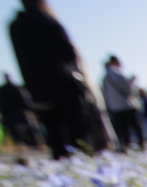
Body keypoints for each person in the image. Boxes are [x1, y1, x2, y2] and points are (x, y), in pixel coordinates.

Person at [9, 0, 102, 159]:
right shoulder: (48, 20)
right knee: (77, 132)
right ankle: (82, 166)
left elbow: (20, 60)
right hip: (64, 83)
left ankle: (63, 168)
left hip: (38, 89)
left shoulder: (15, 25)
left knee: (55, 136)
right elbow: (69, 52)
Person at [101, 56, 144, 152]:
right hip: (126, 105)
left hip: (114, 107)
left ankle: (126, 145)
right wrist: (132, 81)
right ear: (114, 62)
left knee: (123, 130)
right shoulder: (118, 74)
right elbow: (129, 90)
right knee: (135, 127)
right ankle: (141, 144)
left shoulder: (104, 77)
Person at [0, 72, 40, 148]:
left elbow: (1, 102)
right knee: (28, 128)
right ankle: (32, 144)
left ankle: (20, 144)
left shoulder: (2, 89)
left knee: (14, 130)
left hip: (10, 112)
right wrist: (28, 110)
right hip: (18, 111)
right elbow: (23, 100)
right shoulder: (16, 88)